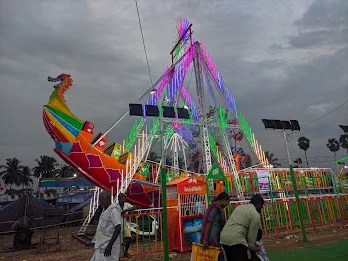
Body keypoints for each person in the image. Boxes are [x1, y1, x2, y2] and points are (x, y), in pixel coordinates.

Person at [220, 195, 264, 261]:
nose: (261, 208)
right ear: (258, 204)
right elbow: (251, 241)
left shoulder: (240, 207)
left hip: (224, 238)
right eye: (261, 205)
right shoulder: (255, 215)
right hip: (236, 239)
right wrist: (258, 248)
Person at [91, 192, 127, 261]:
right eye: (100, 200)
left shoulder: (114, 211)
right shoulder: (105, 210)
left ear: (108, 199)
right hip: (102, 245)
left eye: (101, 200)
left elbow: (118, 228)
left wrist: (109, 246)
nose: (100, 202)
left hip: (108, 245)